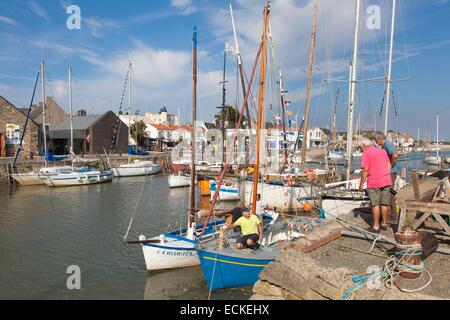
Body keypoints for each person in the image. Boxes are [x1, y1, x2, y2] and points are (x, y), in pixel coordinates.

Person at [358, 138, 392, 233]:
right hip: (386, 180)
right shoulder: (382, 151)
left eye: (361, 147)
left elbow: (365, 171)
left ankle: (376, 226)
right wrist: (386, 175)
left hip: (374, 181)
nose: (361, 149)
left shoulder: (366, 153)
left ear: (364, 146)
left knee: (375, 204)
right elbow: (389, 165)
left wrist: (361, 185)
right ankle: (384, 224)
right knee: (384, 203)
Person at [375, 133, 399, 221]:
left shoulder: (387, 144)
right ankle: (390, 214)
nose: (376, 142)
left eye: (376, 140)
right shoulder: (385, 145)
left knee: (388, 192)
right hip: (388, 172)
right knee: (388, 191)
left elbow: (395, 155)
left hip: (391, 172)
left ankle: (393, 215)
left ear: (380, 138)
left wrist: (390, 166)